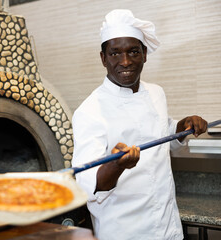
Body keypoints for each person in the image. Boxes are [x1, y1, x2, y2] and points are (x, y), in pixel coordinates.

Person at [71, 9, 208, 240]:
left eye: (133, 51)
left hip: (166, 225)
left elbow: (164, 138)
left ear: (144, 54)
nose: (125, 61)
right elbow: (87, 185)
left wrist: (183, 126)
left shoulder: (156, 93)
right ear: (103, 58)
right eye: (115, 53)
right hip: (124, 230)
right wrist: (117, 165)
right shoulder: (89, 111)